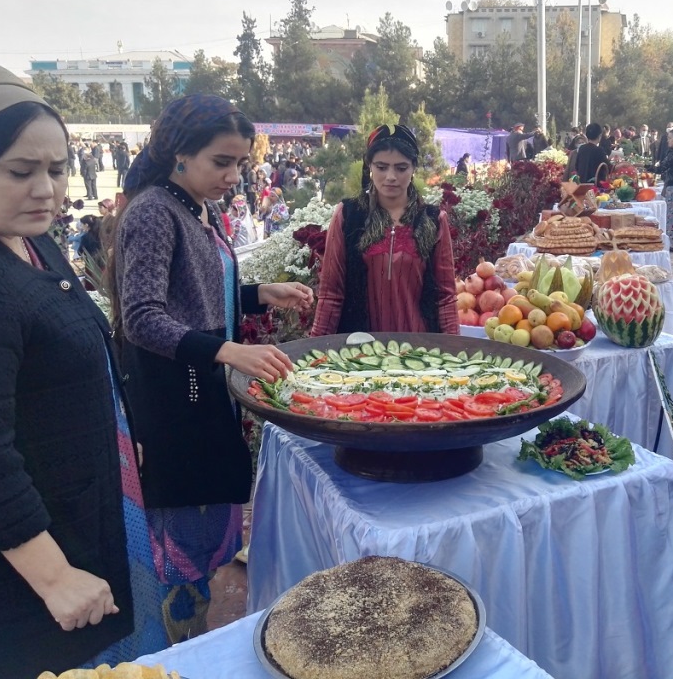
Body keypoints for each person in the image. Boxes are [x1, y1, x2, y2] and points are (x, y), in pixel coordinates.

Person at [0, 60, 165, 678]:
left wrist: (117, 435)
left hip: (85, 501)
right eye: (20, 172)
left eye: (57, 169)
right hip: (32, 558)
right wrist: (54, 577)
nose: (47, 190)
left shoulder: (29, 240)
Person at [112, 94, 313, 643]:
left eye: (240, 163)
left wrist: (259, 292)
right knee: (180, 538)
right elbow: (142, 318)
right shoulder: (154, 212)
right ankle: (176, 652)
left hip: (203, 391)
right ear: (179, 153)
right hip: (174, 401)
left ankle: (194, 633)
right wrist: (227, 351)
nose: (233, 176)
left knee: (206, 531)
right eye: (221, 162)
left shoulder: (200, 207)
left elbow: (197, 295)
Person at [310, 124, 459, 336]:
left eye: (401, 168)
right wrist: (317, 345)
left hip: (418, 348)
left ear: (413, 168)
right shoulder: (349, 215)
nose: (391, 176)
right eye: (381, 167)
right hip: (359, 348)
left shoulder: (432, 220)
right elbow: (331, 293)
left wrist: (453, 347)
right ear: (369, 166)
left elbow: (445, 297)